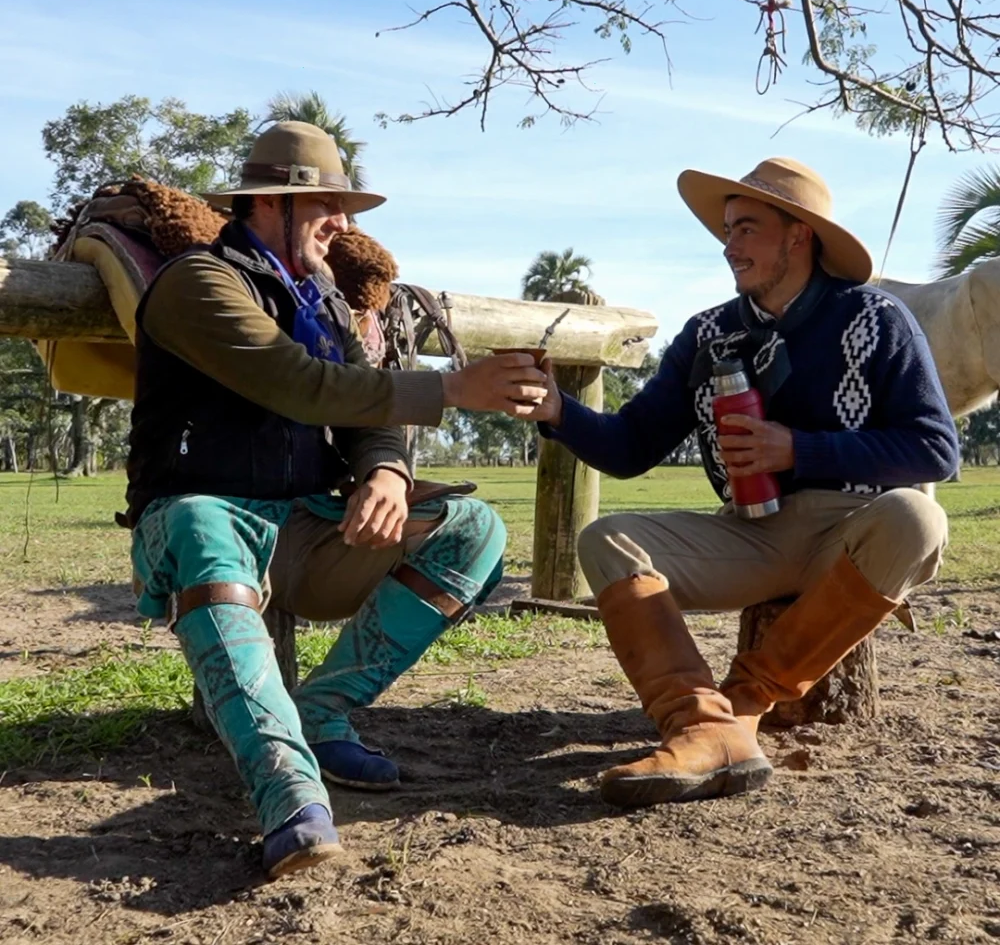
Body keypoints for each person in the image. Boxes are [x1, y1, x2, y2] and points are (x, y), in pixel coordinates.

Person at [125, 121, 548, 877]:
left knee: (473, 528)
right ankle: (290, 794)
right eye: (327, 202)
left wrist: (386, 473)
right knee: (196, 518)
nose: (344, 224)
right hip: (199, 522)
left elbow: (366, 411)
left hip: (304, 527)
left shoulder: (321, 298)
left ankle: (321, 710)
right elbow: (296, 382)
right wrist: (453, 386)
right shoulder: (201, 284)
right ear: (271, 204)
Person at [526, 157, 959, 808]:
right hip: (749, 533)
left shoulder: (876, 318)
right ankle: (698, 724)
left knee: (920, 521)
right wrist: (556, 410)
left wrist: (798, 449)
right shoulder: (707, 334)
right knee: (608, 539)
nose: (729, 247)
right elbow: (629, 447)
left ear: (799, 234)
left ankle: (744, 704)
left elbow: (935, 450)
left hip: (849, 532)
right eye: (726, 231)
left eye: (746, 229)